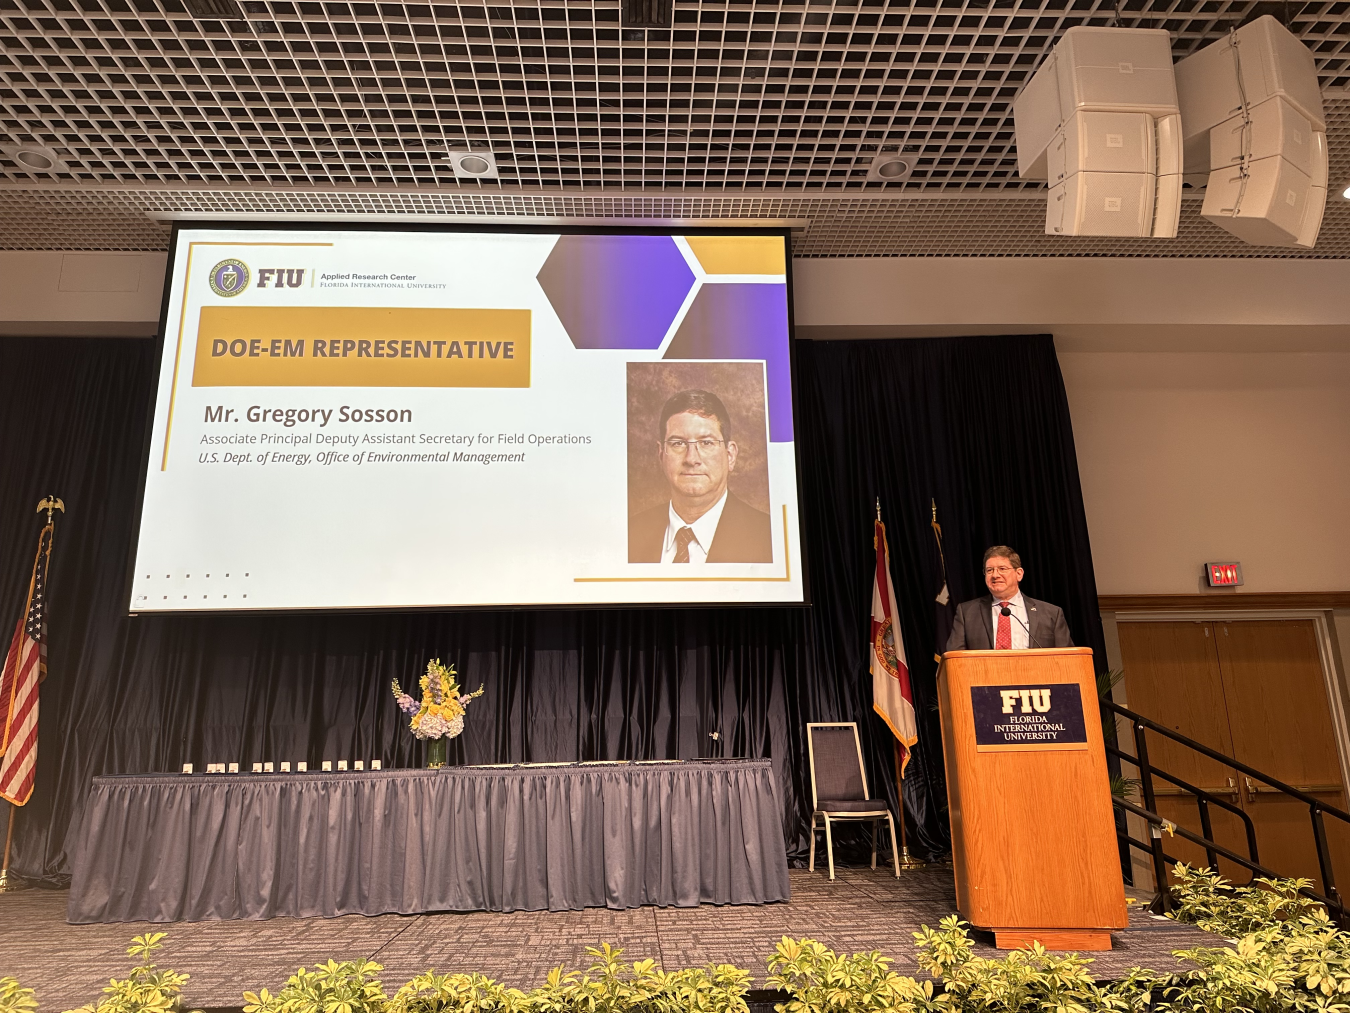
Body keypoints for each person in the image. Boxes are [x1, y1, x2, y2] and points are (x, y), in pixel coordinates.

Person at [628, 388, 773, 564]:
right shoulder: (629, 533)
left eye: (706, 443)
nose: (691, 459)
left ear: (730, 455)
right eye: (678, 443)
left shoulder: (770, 537)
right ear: (661, 455)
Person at [945, 545, 1073, 651]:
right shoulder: (967, 613)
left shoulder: (1051, 613)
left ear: (1019, 574)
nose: (995, 575)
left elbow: (1068, 659)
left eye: (1002, 569)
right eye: (989, 570)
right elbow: (954, 658)